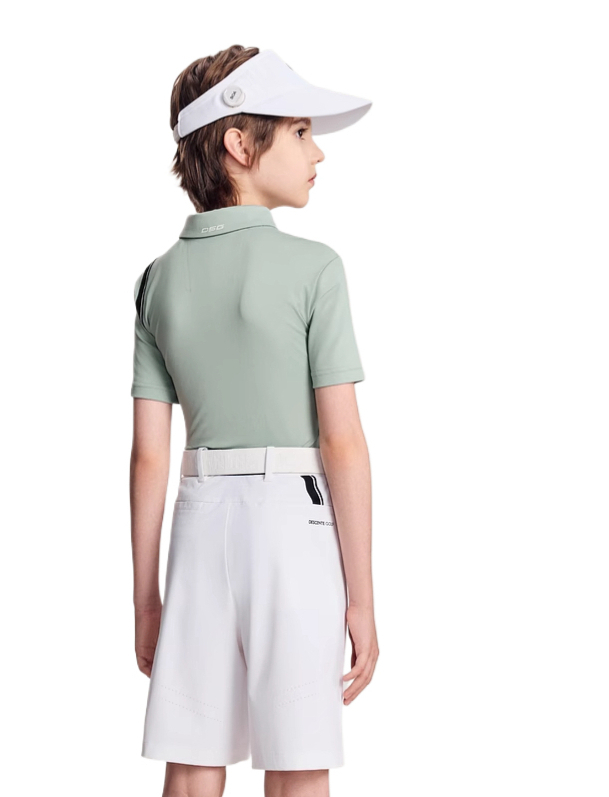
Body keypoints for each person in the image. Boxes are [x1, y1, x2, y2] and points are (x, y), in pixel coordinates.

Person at [130, 45, 378, 797]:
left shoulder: (156, 280)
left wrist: (146, 600)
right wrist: (361, 597)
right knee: (296, 754)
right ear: (240, 144)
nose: (317, 152)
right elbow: (341, 441)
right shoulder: (314, 269)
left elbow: (149, 456)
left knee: (191, 756)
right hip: (291, 525)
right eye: (300, 132)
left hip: (198, 515)